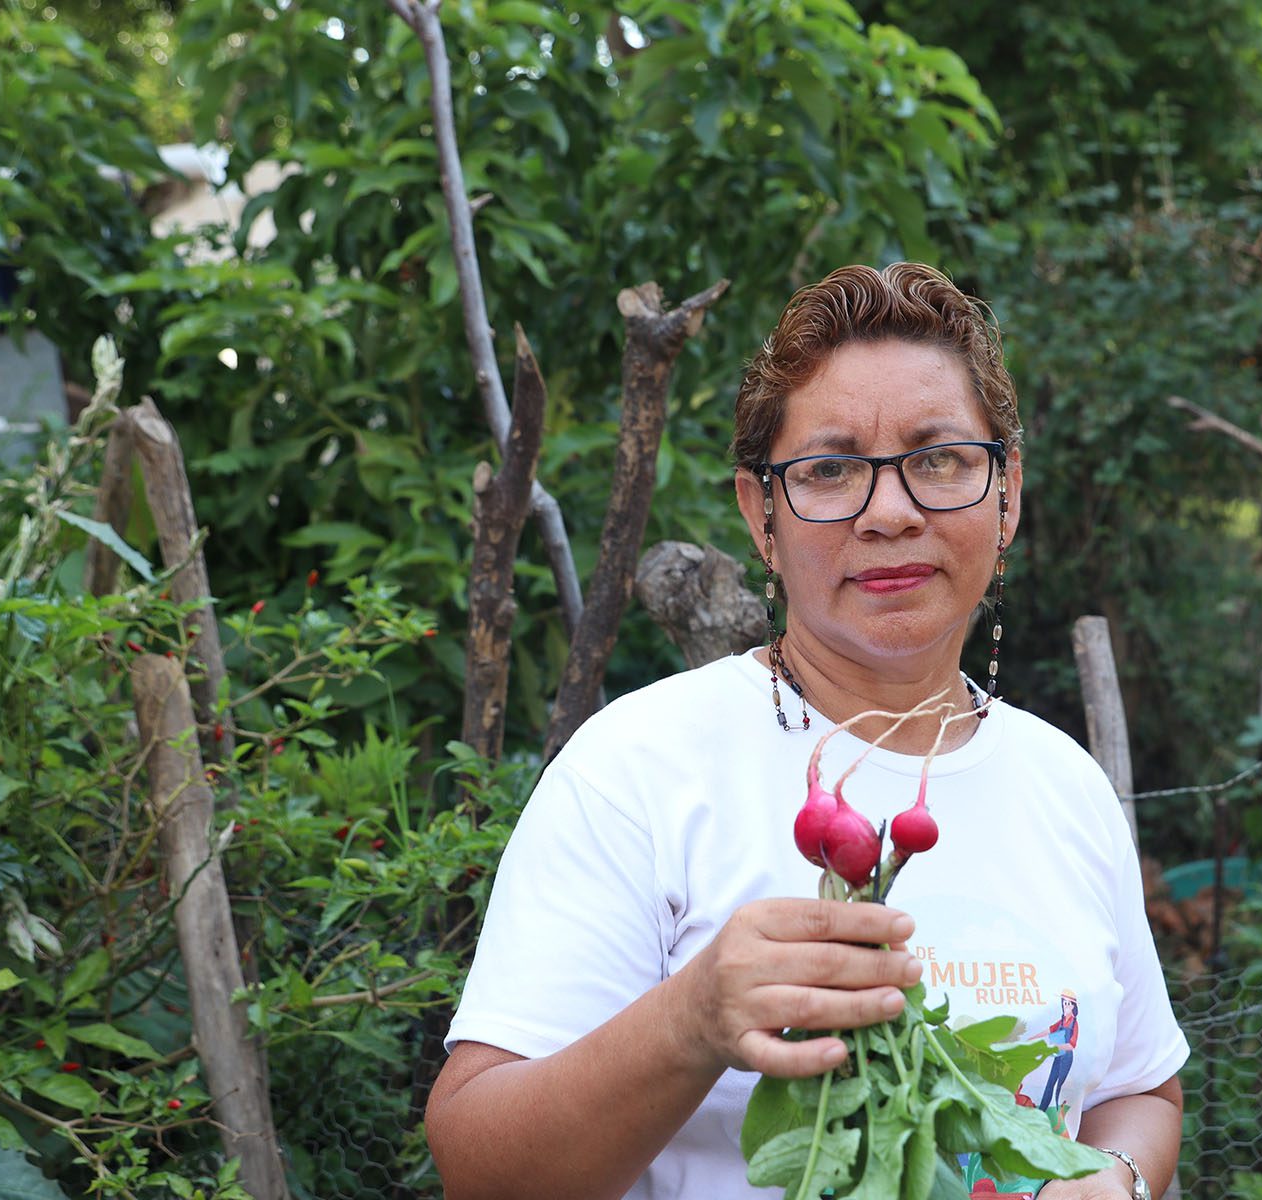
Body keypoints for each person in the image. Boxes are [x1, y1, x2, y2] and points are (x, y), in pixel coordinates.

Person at [425, 263, 1188, 1200]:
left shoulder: (1062, 785)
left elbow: (1142, 1091)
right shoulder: (640, 768)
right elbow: (476, 1166)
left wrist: (1115, 1182)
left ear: (1007, 496)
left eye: (939, 458)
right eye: (829, 471)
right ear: (763, 517)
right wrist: (689, 1022)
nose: (891, 512)